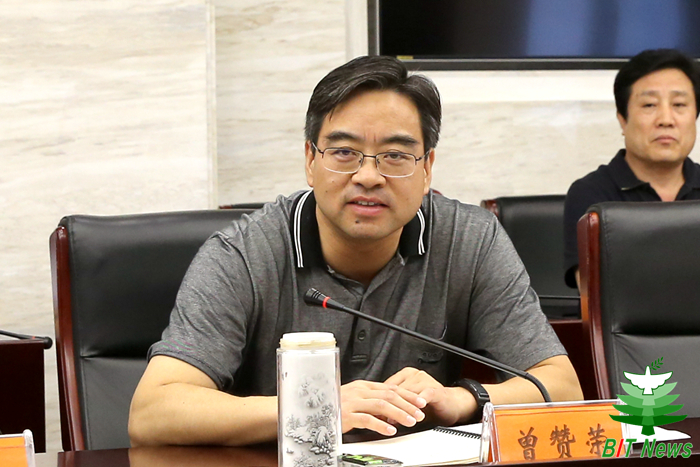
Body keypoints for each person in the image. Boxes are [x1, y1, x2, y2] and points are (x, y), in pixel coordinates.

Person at [129, 56, 582, 447]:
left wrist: (463, 398)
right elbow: (153, 412)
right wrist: (315, 408)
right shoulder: (243, 255)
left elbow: (562, 388)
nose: (368, 176)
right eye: (344, 152)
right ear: (311, 160)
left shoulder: (471, 241)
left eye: (395, 155)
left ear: (427, 169)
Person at [564, 49, 700, 289]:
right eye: (649, 105)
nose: (666, 119)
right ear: (622, 119)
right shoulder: (592, 196)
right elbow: (596, 295)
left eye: (679, 104)